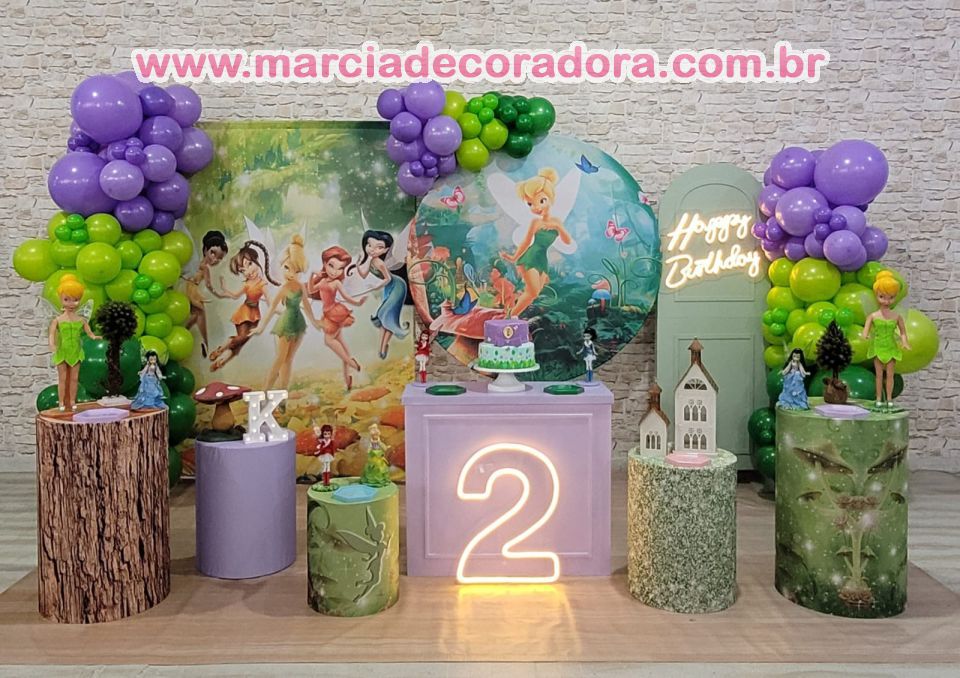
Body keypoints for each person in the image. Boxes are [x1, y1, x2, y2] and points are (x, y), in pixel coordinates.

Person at [499, 168, 574, 316]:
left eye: (541, 201)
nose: (537, 207)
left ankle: (511, 314)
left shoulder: (556, 221)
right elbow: (526, 241)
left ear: (550, 198)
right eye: (530, 204)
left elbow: (567, 241)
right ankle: (510, 317)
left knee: (533, 294)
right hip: (530, 256)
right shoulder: (536, 222)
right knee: (532, 292)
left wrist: (558, 227)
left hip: (542, 259)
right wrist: (514, 257)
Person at [255, 235, 320, 392]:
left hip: (298, 324)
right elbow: (272, 308)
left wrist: (315, 322)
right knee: (280, 358)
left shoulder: (301, 287)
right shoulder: (283, 288)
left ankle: (282, 393)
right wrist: (261, 326)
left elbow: (307, 306)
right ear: (282, 265)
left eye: (296, 271)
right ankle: (265, 391)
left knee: (289, 360)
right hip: (285, 324)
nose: (291, 274)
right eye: (287, 268)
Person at [209, 240, 278, 371]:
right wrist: (225, 290)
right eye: (243, 270)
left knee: (240, 343)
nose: (248, 271)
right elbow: (236, 296)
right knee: (241, 337)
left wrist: (277, 307)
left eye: (250, 264)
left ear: (256, 261)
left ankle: (221, 361)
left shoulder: (262, 284)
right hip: (244, 313)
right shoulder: (247, 284)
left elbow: (270, 300)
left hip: (254, 316)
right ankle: (220, 350)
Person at [308, 245, 367, 390]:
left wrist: (358, 303)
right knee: (342, 346)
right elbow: (310, 289)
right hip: (329, 314)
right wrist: (312, 275)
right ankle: (348, 380)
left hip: (334, 313)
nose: (335, 271)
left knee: (328, 340)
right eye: (331, 266)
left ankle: (352, 363)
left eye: (340, 268)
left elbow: (346, 297)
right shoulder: (323, 281)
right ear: (325, 264)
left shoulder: (336, 283)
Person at [349, 230, 409, 359]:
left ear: (386, 249)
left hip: (397, 286)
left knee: (388, 316)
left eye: (379, 247)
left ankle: (384, 347)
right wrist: (359, 263)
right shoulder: (371, 259)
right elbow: (363, 274)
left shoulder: (380, 263)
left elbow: (388, 278)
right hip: (388, 288)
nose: (372, 250)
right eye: (369, 245)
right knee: (383, 319)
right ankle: (381, 348)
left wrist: (376, 286)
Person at [48, 274, 100, 411]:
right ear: (60, 299)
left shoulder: (81, 320)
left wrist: (94, 337)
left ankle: (72, 401)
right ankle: (61, 402)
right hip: (62, 351)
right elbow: (51, 333)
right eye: (67, 299)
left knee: (74, 378)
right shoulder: (57, 320)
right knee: (62, 378)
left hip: (76, 351)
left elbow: (89, 333)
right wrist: (52, 344)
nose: (71, 303)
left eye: (75, 300)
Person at [862, 270, 911, 409]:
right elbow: (865, 330)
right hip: (878, 347)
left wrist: (905, 342)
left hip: (891, 347)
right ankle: (878, 398)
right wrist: (865, 335)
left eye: (891, 297)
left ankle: (889, 399)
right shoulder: (873, 316)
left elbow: (903, 332)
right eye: (882, 296)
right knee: (878, 375)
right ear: (876, 295)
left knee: (890, 375)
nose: (886, 301)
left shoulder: (897, 316)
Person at [184, 230, 228, 358]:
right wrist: (218, 294)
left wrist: (218, 294)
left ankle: (203, 341)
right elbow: (207, 284)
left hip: (192, 289)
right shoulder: (201, 266)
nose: (214, 259)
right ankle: (195, 336)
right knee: (200, 312)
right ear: (205, 250)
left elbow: (208, 285)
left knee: (198, 313)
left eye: (219, 258)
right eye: (213, 253)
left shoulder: (203, 267)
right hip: (189, 289)